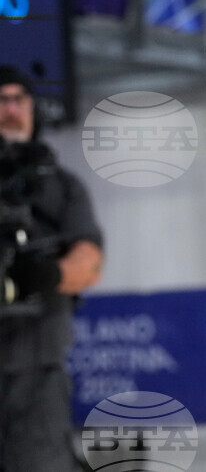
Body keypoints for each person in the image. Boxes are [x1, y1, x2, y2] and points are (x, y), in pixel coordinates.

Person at [0, 65, 103, 471]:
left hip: (36, 372)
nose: (11, 109)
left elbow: (89, 263)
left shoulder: (61, 187)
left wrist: (47, 275)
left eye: (19, 100)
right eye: (1, 100)